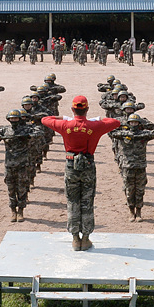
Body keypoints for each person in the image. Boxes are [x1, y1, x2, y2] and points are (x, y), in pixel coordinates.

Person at [41, 95, 121, 251]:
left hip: (71, 165)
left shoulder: (65, 125)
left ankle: (75, 239)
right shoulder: (95, 126)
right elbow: (115, 122)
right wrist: (95, 121)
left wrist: (64, 117)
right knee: (87, 202)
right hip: (88, 165)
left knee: (72, 202)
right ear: (87, 109)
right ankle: (86, 238)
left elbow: (45, 119)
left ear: (73, 109)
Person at [108, 113, 154, 221]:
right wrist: (125, 131)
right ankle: (131, 211)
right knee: (129, 190)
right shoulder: (123, 134)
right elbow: (111, 132)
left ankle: (139, 211)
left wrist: (142, 128)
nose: (134, 124)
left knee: (140, 190)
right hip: (127, 166)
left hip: (140, 165)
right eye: (131, 122)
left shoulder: (143, 135)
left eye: (136, 122)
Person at [0, 109, 40, 222]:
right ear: (9, 119)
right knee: (10, 188)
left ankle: (21, 210)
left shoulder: (26, 128)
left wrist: (27, 135)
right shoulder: (5, 129)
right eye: (12, 118)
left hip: (23, 164)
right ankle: (13, 210)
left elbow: (38, 131)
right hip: (9, 164)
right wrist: (0, 138)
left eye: (16, 118)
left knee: (22, 188)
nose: (14, 120)